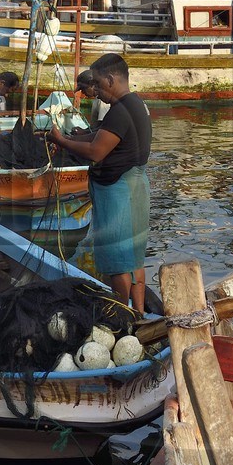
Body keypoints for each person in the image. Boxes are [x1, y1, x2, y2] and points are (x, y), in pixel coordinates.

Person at [48, 53, 151, 311]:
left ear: (110, 79)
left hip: (118, 191)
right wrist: (81, 137)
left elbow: (96, 152)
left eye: (97, 83)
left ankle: (121, 316)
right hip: (136, 185)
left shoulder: (119, 111)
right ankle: (138, 314)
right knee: (134, 259)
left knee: (117, 262)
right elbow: (99, 137)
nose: (95, 90)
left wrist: (61, 142)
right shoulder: (135, 104)